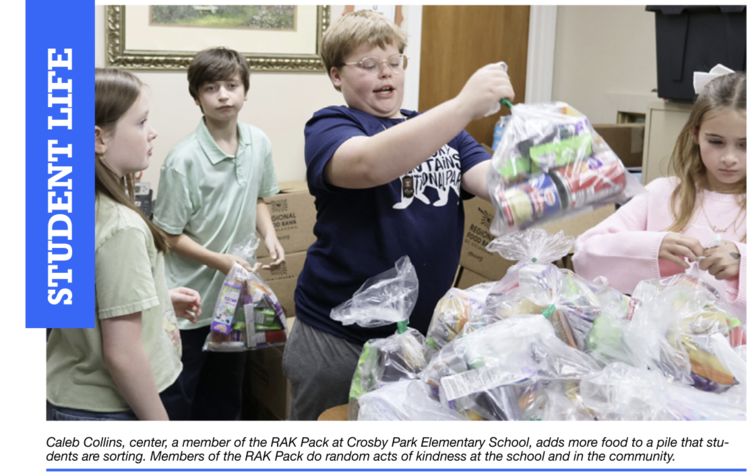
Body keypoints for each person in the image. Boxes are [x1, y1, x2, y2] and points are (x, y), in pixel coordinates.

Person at [285, 9, 514, 420]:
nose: (385, 74)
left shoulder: (441, 132)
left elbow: (493, 180)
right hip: (337, 339)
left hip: (417, 339)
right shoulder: (331, 125)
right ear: (337, 76)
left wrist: (545, 165)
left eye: (394, 63)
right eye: (368, 65)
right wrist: (463, 105)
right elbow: (370, 164)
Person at [47, 69, 200, 421]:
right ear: (98, 139)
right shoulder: (122, 228)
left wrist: (156, 300)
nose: (153, 131)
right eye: (142, 121)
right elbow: (123, 355)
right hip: (107, 408)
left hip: (65, 389)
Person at [153, 47, 285, 420]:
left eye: (231, 85)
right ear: (197, 97)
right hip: (190, 303)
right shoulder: (183, 160)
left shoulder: (258, 142)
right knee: (180, 397)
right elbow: (167, 234)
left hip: (233, 298)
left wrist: (270, 234)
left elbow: (258, 197)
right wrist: (221, 262)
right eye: (212, 88)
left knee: (227, 396)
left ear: (245, 91)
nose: (223, 94)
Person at [573, 70, 746, 323]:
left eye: (746, 144)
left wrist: (744, 264)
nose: (729, 158)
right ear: (695, 134)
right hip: (649, 350)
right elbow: (585, 256)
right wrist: (652, 247)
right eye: (716, 141)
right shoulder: (662, 194)